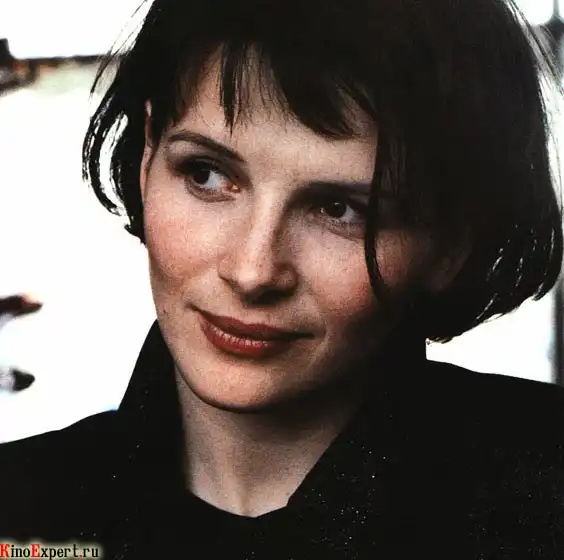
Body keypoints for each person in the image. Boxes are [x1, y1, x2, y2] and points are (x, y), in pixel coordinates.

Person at [1, 0, 564, 557]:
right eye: (206, 174)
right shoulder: (18, 514)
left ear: (452, 243)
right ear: (148, 155)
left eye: (340, 209)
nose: (252, 272)